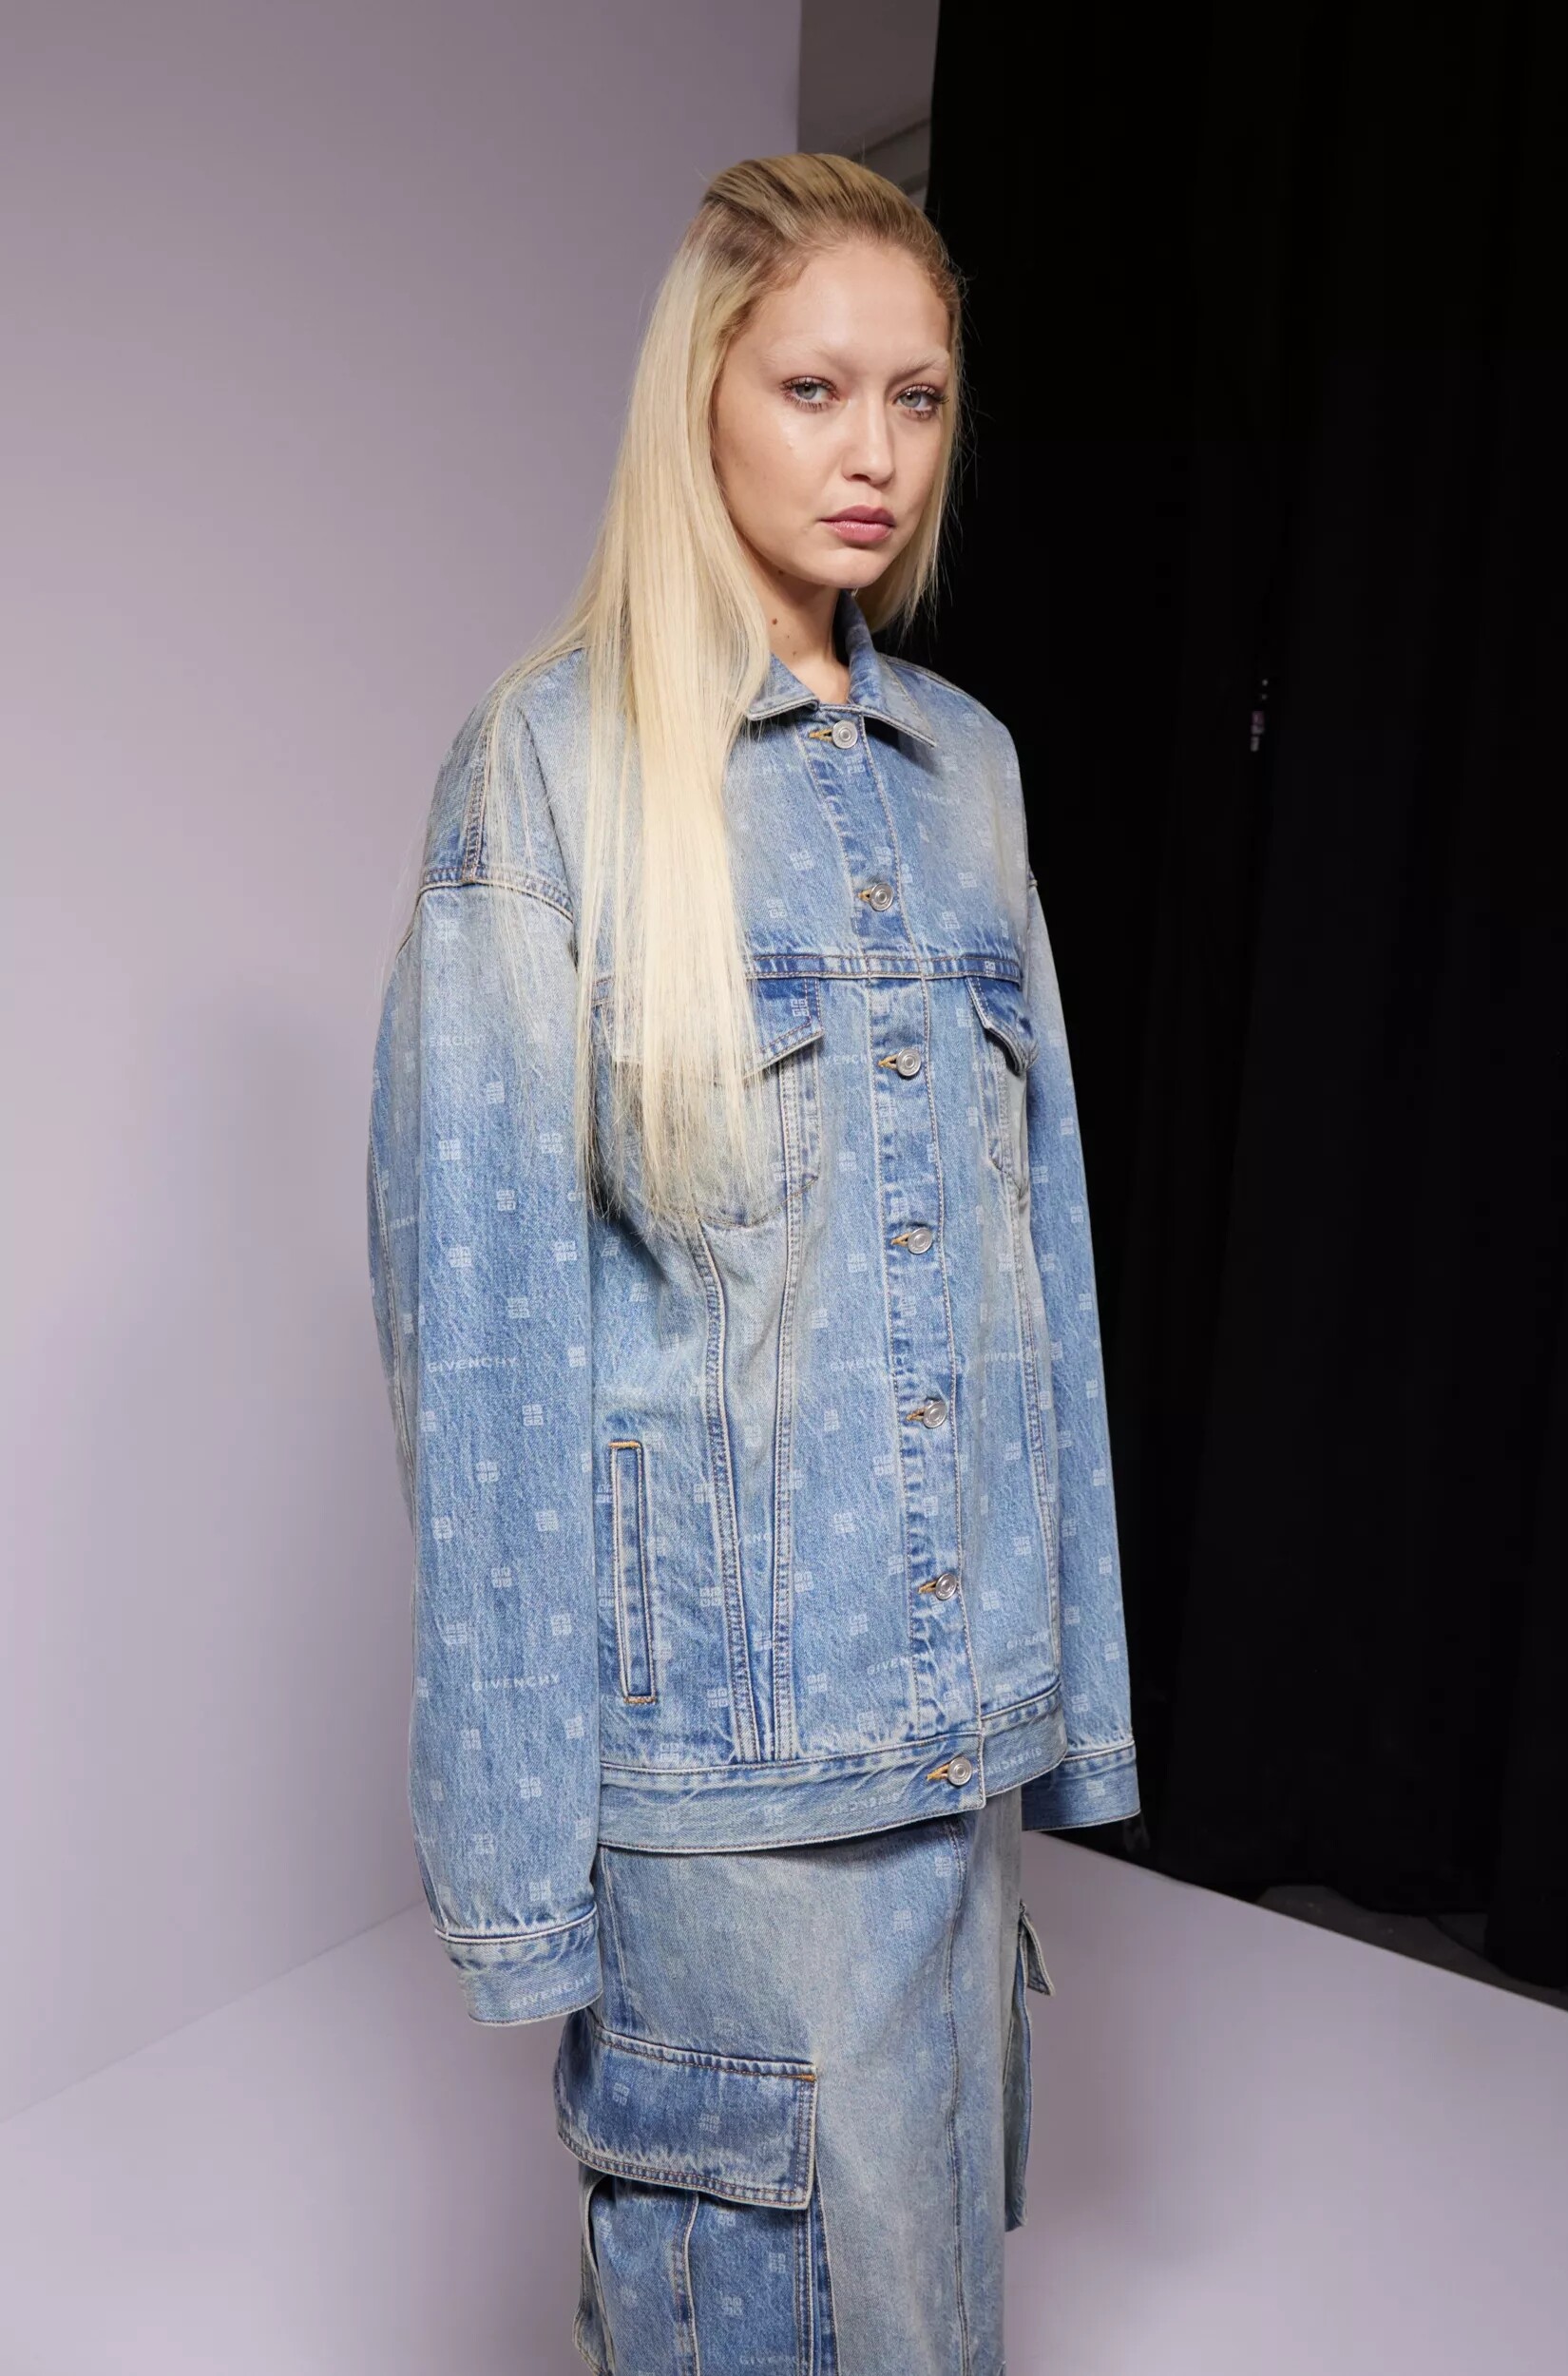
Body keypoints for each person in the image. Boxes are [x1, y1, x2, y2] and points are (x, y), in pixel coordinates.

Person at [366, 150, 1139, 2376]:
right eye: (813, 388)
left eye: (917, 393)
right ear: (700, 395)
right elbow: (485, 1354)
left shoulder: (970, 771)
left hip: (950, 1772)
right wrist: (522, 1877)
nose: (874, 449)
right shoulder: (548, 770)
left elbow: (1047, 1251)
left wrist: (1071, 1703)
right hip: (721, 1808)